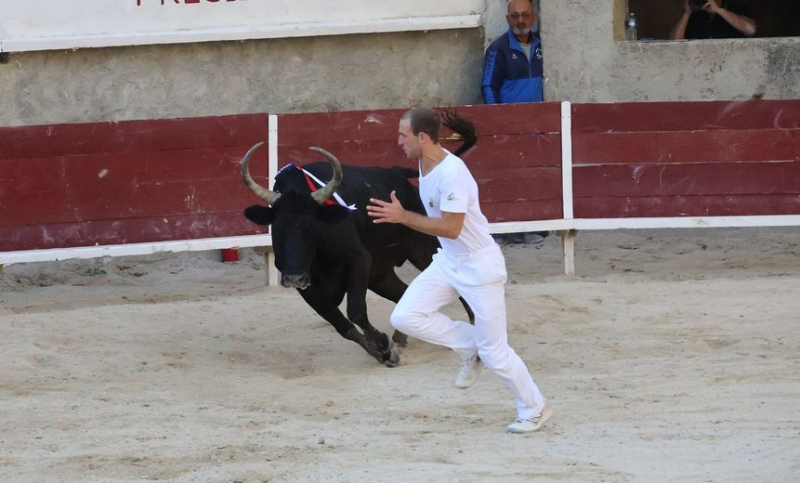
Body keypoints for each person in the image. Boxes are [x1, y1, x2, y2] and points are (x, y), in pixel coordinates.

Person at [366, 108, 551, 434]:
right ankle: (469, 347)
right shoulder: (424, 163)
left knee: (496, 352)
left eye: (403, 135)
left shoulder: (452, 174)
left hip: (480, 267)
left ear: (422, 137)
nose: (398, 142)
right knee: (405, 316)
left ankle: (534, 408)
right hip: (449, 262)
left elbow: (452, 227)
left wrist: (402, 216)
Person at [482, 0, 548, 245]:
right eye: (515, 16)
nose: (521, 20)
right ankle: (509, 230)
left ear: (534, 17)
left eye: (525, 15)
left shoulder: (545, 44)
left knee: (536, 176)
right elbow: (488, 85)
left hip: (540, 125)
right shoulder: (498, 49)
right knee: (511, 178)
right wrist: (499, 120)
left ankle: (536, 225)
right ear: (508, 19)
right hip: (509, 127)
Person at [669, 0, 757, 40]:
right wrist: (686, 13)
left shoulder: (734, 7)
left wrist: (719, 10)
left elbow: (750, 30)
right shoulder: (694, 14)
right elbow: (674, 40)